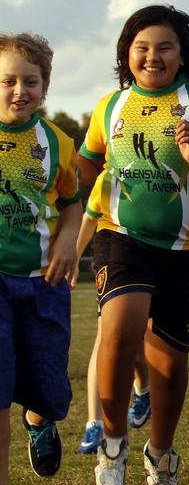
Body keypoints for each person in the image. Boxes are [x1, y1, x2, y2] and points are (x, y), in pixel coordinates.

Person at [78, 5, 189, 485]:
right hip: (120, 237)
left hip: (183, 249)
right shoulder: (110, 107)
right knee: (121, 324)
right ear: (127, 53)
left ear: (182, 54)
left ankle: (162, 453)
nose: (152, 56)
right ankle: (111, 445)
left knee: (168, 362)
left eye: (164, 47)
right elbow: (85, 168)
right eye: (142, 47)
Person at [0, 33, 82, 484]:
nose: (19, 90)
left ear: (45, 87)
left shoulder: (57, 143)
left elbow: (71, 202)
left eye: (29, 81)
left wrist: (69, 238)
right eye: (7, 80)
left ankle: (40, 421)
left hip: (41, 282)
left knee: (47, 386)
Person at [72, 211, 153, 455]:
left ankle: (144, 389)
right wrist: (73, 257)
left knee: (138, 350)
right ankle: (94, 424)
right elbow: (89, 212)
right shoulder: (109, 175)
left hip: (154, 249)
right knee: (105, 338)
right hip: (114, 251)